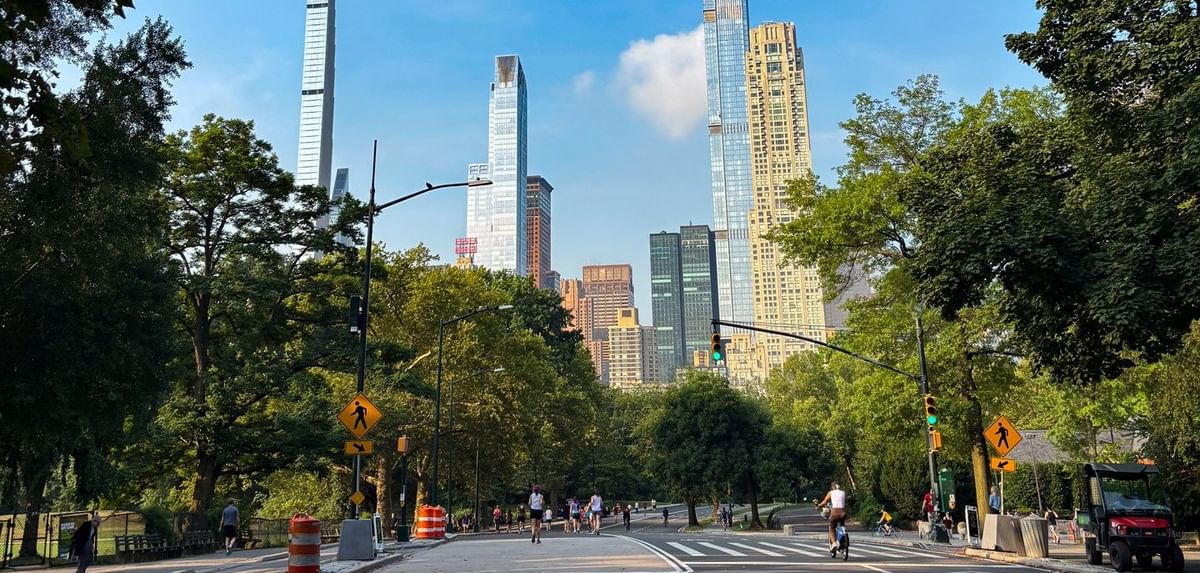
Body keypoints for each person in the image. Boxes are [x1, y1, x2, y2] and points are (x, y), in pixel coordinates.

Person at [817, 482, 847, 552]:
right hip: (843, 513)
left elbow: (824, 502)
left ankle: (834, 544)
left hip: (835, 513)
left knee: (832, 528)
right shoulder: (843, 492)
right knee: (841, 524)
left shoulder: (831, 493)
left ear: (832, 487)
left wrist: (818, 505)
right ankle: (843, 535)